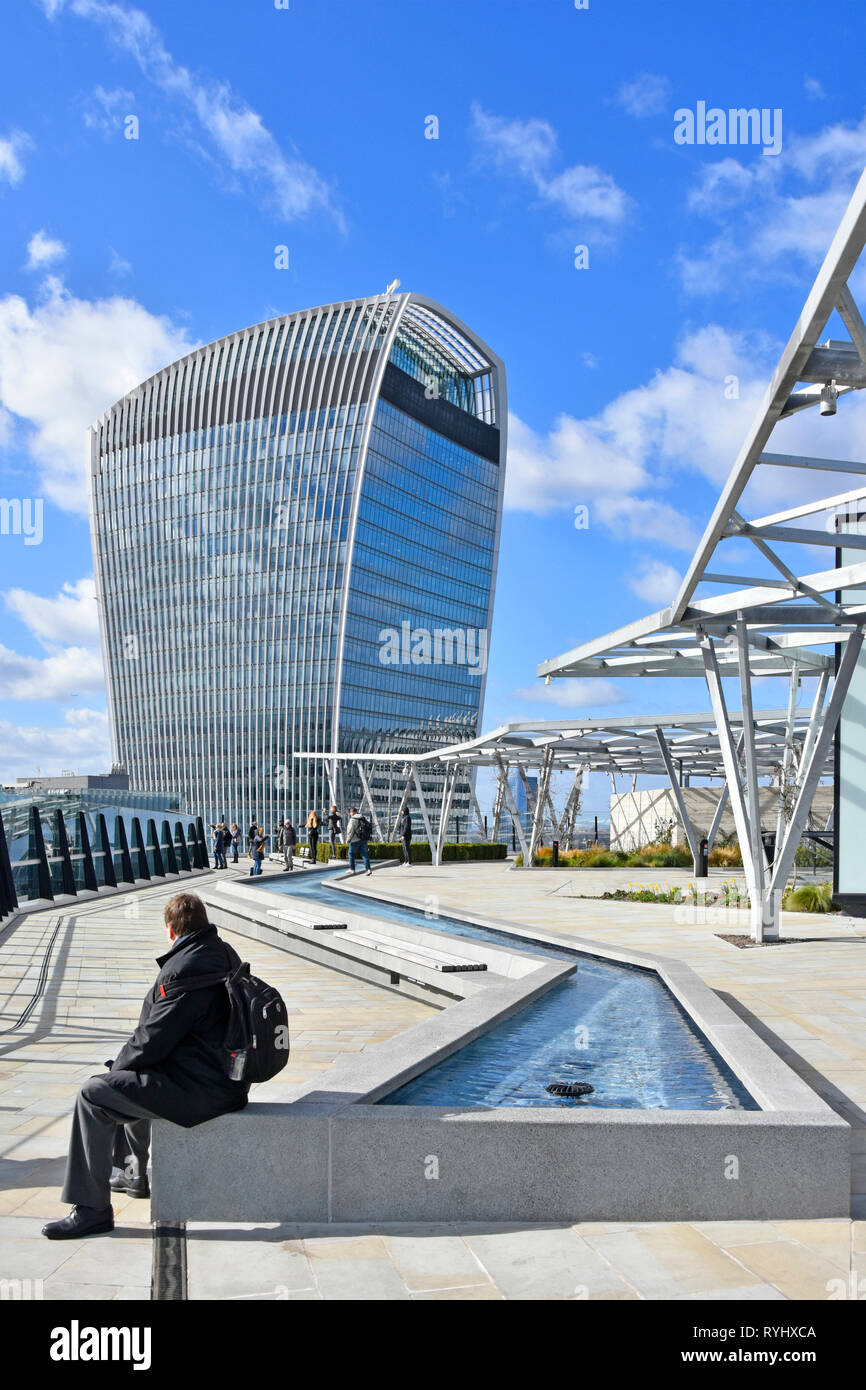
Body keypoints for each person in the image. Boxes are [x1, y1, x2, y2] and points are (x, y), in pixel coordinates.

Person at [42, 892, 249, 1240]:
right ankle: (133, 1173)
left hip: (203, 1089)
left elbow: (151, 1041)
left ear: (171, 930)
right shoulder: (224, 953)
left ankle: (92, 1209)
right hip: (223, 1079)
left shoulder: (182, 970)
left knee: (95, 1094)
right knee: (131, 1079)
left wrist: (114, 1071)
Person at [345, 807, 372, 876]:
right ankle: (368, 869)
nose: (350, 814)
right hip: (363, 839)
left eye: (350, 813)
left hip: (355, 840)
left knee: (351, 854)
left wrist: (348, 840)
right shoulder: (363, 818)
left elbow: (350, 831)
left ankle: (352, 869)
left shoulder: (353, 819)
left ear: (352, 812)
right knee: (365, 854)